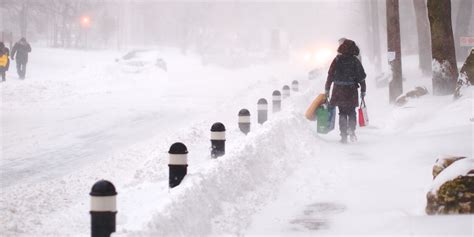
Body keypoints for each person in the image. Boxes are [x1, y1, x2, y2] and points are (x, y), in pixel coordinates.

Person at [325, 39, 366, 143]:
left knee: (342, 113)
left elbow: (330, 75)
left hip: (339, 90)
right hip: (351, 91)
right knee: (352, 112)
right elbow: (361, 77)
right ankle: (352, 129)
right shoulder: (355, 61)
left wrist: (327, 88)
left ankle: (343, 136)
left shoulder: (337, 60)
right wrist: (363, 90)